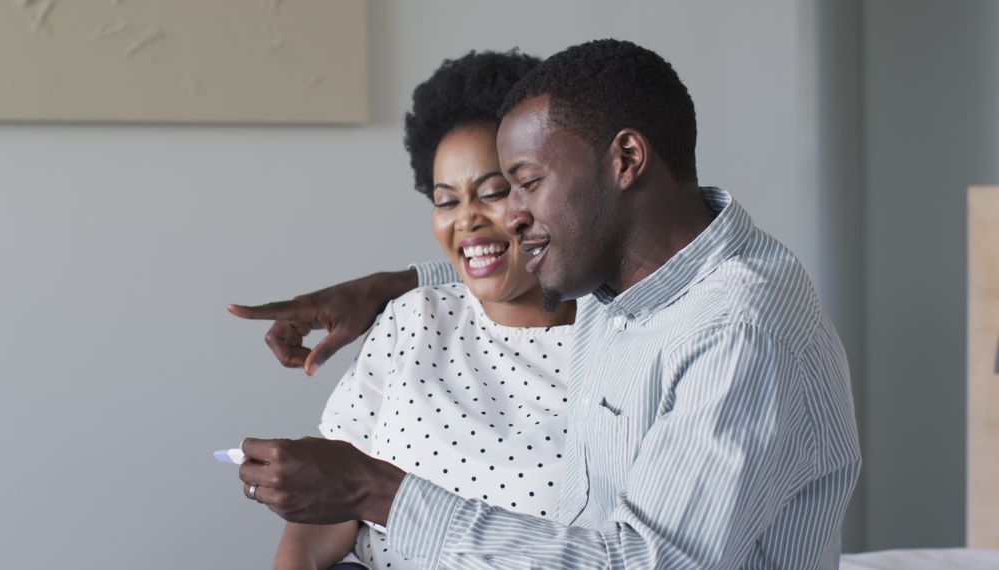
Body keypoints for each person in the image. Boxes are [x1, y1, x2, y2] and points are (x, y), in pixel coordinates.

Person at [233, 39, 861, 569]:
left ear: (626, 159)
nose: (512, 214)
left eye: (526, 183)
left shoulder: (738, 333)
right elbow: (496, 276)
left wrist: (377, 492)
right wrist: (390, 284)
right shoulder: (625, 291)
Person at [232, 51, 577, 569]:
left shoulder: (617, 348)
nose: (467, 221)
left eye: (493, 193)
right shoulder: (413, 320)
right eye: (446, 200)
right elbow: (326, 516)